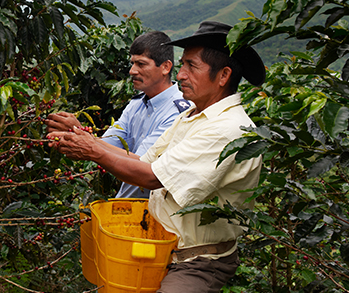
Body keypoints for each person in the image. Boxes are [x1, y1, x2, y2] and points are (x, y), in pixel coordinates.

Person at [48, 21, 265, 293]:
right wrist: (85, 138)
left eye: (191, 66)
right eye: (182, 64)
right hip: (160, 247)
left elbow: (151, 177)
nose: (181, 75)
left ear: (223, 76)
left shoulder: (226, 129)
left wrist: (91, 149)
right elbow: (145, 162)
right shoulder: (192, 116)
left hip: (197, 260)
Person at [45, 31, 189, 198]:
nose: (132, 71)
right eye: (132, 63)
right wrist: (79, 132)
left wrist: (85, 138)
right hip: (126, 208)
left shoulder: (178, 112)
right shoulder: (136, 105)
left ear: (165, 67)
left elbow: (142, 165)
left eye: (141, 64)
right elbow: (107, 144)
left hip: (153, 215)